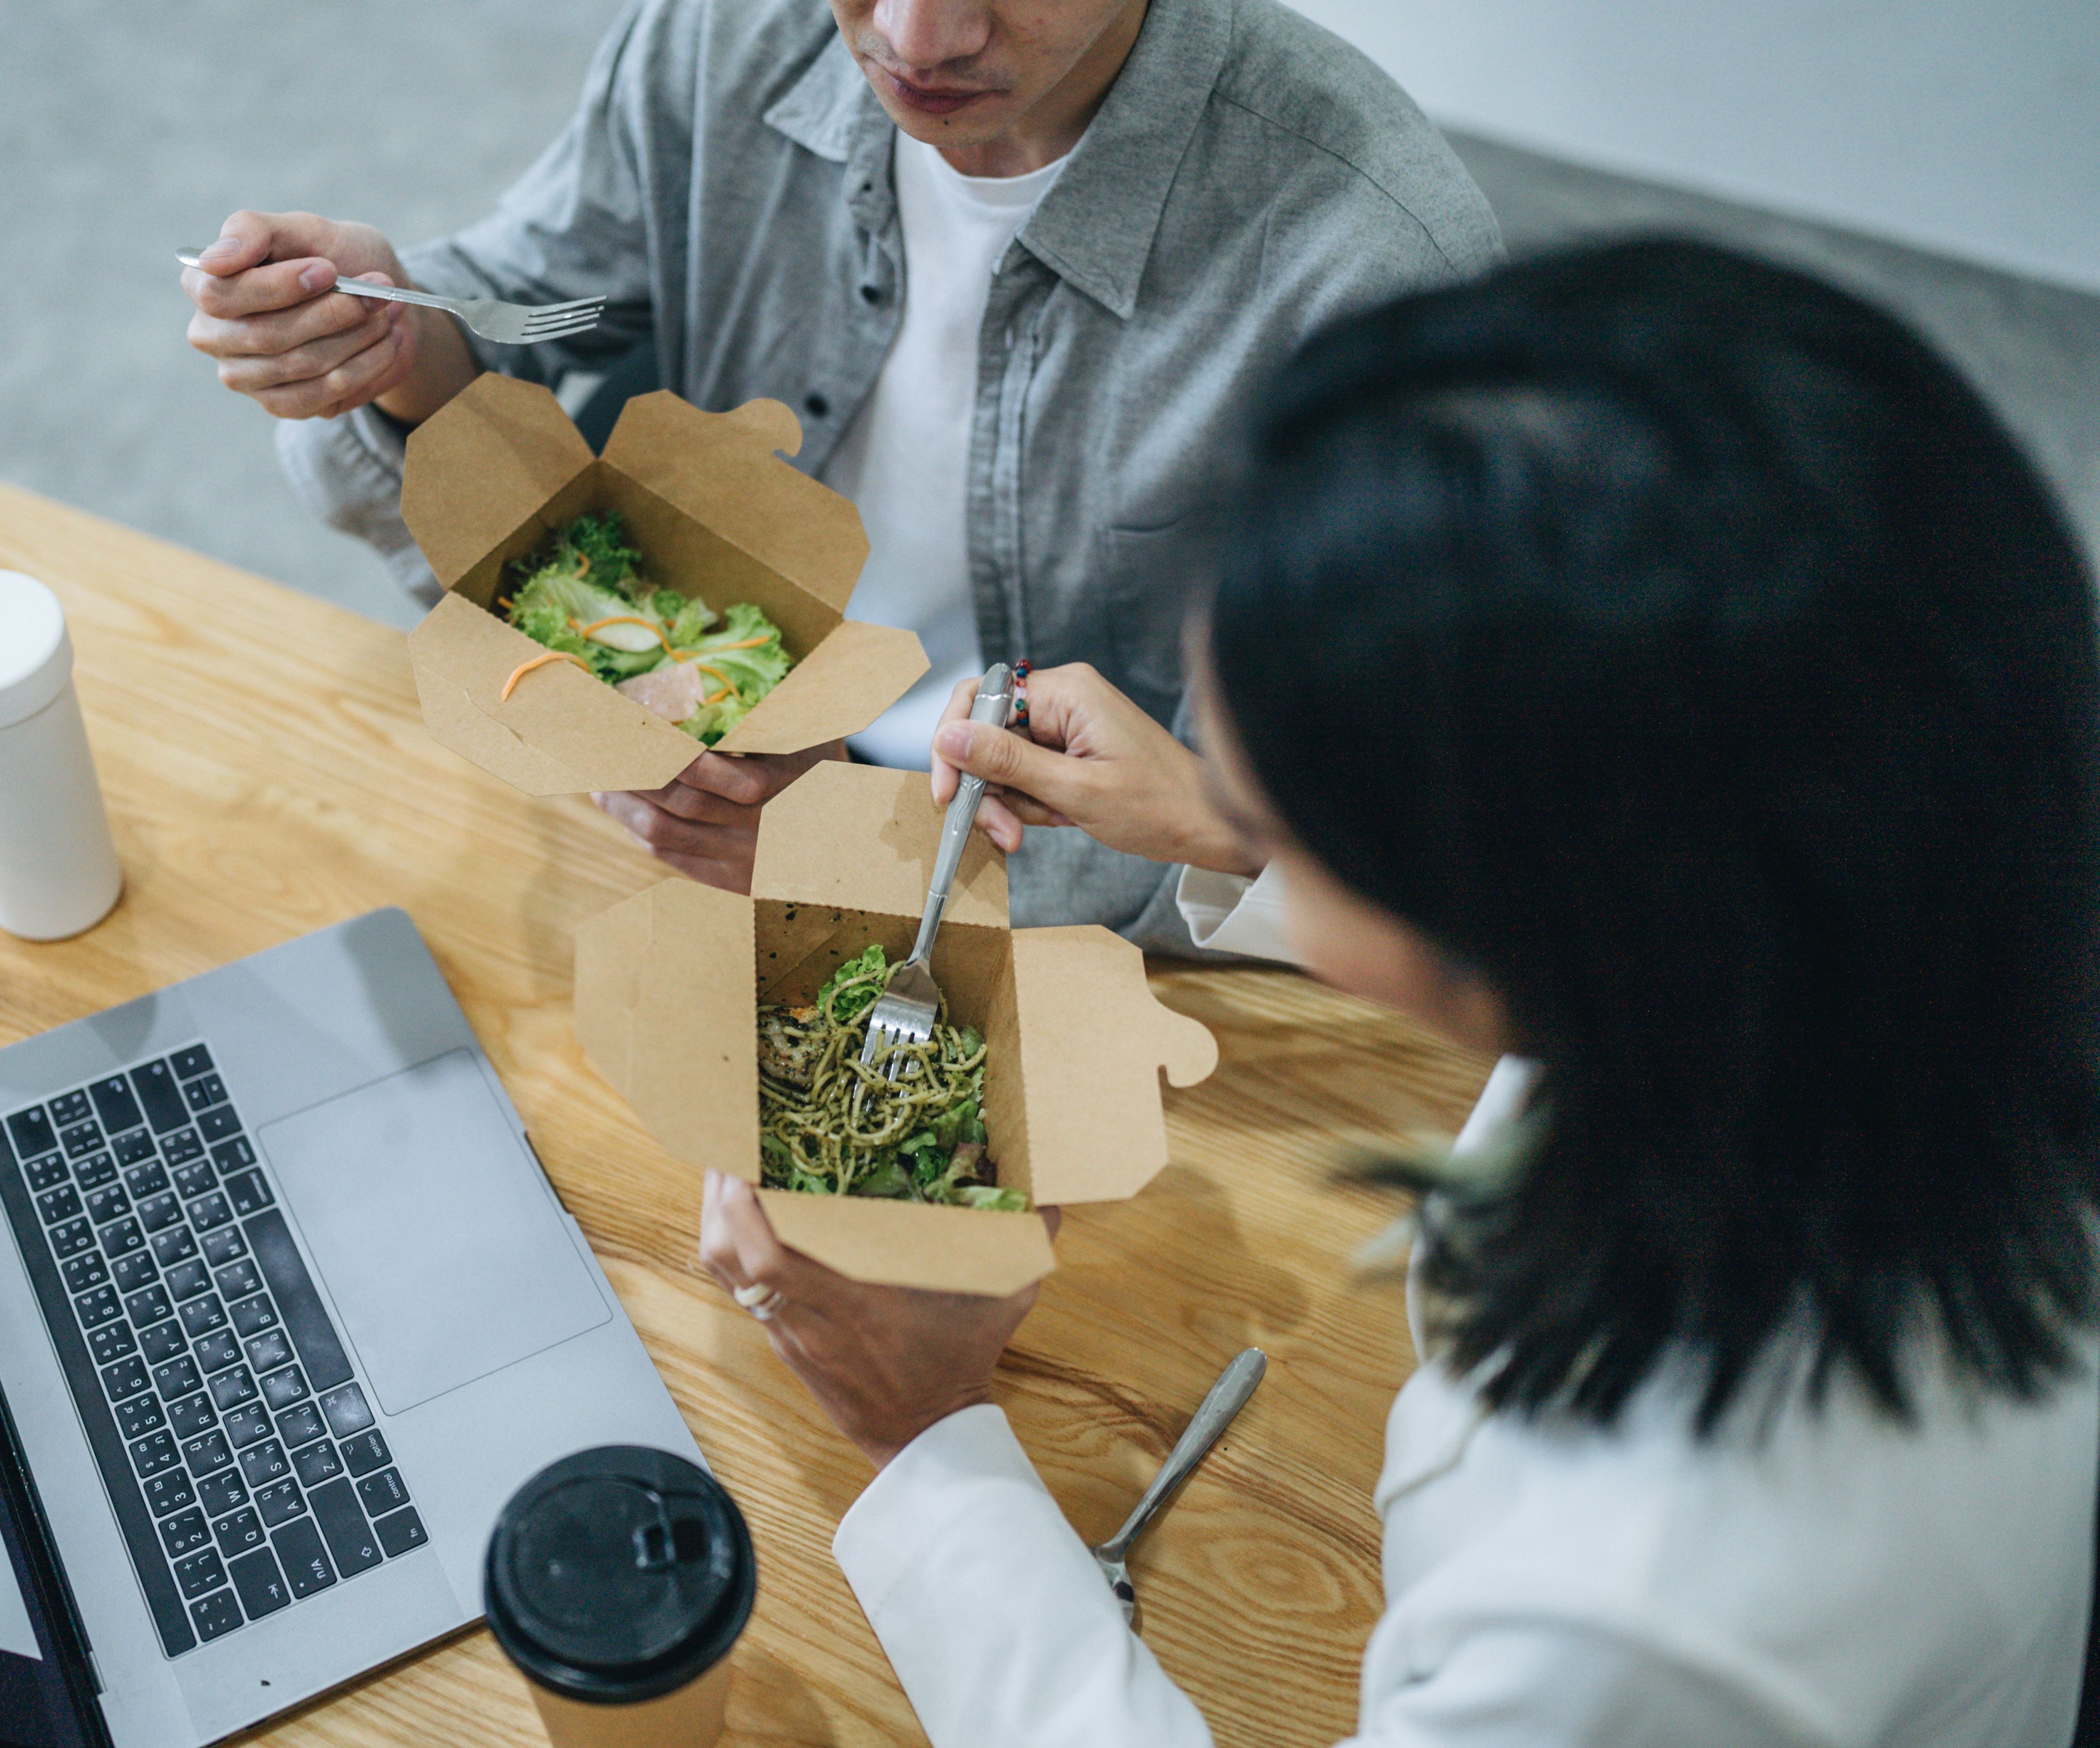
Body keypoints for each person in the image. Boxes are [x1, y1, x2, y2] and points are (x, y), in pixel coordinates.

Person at [700, 238, 2100, 1745]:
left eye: (1284, 810)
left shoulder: (1640, 1614)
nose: (1236, 814)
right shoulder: (1893, 882)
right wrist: (1212, 821)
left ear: (1546, 902)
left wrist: (928, 1433)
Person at [179, 0, 1499, 952]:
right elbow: (537, 308)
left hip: (1022, 898)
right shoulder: (722, 34)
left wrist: (891, 856)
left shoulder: (1373, 263)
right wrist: (402, 340)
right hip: (667, 781)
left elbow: (1370, 839)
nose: (915, 41)